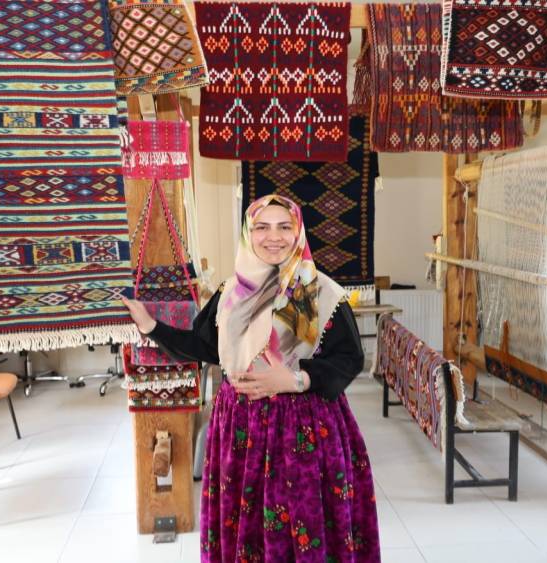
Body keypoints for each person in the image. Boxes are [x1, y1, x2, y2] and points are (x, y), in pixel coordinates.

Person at [121, 194, 381, 562]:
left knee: (303, 525)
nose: (273, 237)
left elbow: (350, 358)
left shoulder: (322, 292)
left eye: (284, 227)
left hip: (303, 431)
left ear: (298, 233)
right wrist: (151, 326)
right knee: (249, 526)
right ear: (248, 233)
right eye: (262, 227)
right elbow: (204, 346)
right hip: (241, 429)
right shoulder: (231, 292)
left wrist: (296, 379)